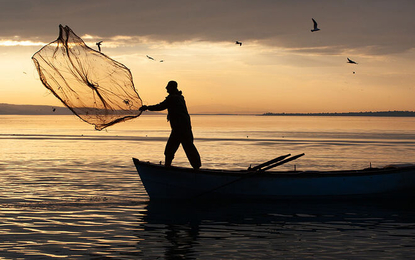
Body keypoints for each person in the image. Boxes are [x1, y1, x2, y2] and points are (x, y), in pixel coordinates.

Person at [140, 81, 202, 169]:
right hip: (185, 128)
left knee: (170, 149)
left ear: (172, 87)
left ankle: (167, 168)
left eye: (168, 86)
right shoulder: (180, 97)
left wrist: (147, 107)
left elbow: (160, 106)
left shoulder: (173, 98)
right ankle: (197, 168)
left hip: (179, 129)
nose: (166, 88)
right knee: (189, 148)